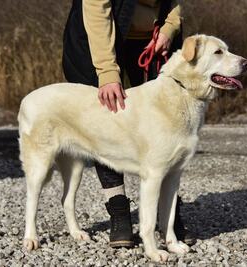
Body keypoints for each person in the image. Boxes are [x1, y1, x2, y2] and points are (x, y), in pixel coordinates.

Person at [62, 0, 195, 248]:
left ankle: (168, 215)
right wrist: (107, 72)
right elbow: (96, 11)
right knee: (104, 123)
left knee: (165, 125)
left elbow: (176, 3)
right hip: (96, 38)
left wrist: (168, 28)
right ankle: (119, 211)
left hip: (152, 39)